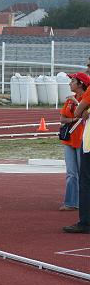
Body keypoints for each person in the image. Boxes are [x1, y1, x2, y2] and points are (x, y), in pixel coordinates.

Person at [59, 72, 89, 211]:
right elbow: (63, 118)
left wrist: (76, 103)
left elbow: (84, 113)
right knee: (71, 173)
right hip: (70, 140)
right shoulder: (69, 100)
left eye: (72, 81)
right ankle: (71, 202)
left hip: (83, 140)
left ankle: (83, 202)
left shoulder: (85, 97)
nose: (70, 83)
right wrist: (73, 120)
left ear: (80, 84)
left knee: (83, 173)